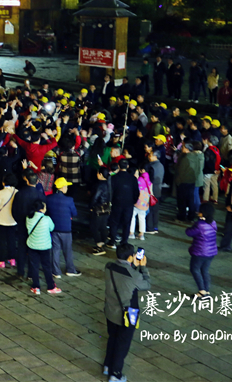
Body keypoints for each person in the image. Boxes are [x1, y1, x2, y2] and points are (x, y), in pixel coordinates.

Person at [103, 243, 151, 382]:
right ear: (131, 257)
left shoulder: (108, 266)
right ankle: (115, 373)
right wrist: (143, 267)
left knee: (112, 338)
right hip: (127, 314)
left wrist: (132, 265)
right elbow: (146, 284)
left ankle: (107, 366)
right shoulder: (133, 274)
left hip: (110, 310)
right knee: (122, 343)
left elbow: (125, 278)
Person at [46, 177, 81, 279]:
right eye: (66, 186)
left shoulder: (49, 198)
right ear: (62, 187)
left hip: (54, 228)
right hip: (66, 229)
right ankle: (70, 270)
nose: (67, 188)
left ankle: (56, 272)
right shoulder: (69, 200)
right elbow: (74, 213)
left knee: (55, 250)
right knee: (67, 250)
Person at [186, 203, 218, 296]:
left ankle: (202, 291)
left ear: (202, 213)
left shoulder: (199, 225)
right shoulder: (213, 222)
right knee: (205, 270)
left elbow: (189, 232)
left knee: (194, 269)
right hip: (211, 252)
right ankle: (207, 290)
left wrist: (192, 225)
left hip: (200, 252)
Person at [108, 160, 139, 246]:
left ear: (118, 166)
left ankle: (112, 241)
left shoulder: (114, 178)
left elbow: (111, 191)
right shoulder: (132, 178)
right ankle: (124, 241)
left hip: (116, 203)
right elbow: (136, 192)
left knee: (114, 223)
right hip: (129, 204)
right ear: (127, 166)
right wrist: (134, 201)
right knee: (127, 223)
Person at [0, 174, 18, 268]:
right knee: (12, 240)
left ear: (3, 182)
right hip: (13, 220)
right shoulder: (16, 192)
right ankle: (12, 259)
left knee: (2, 241)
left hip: (1, 220)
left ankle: (1, 260)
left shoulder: (0, 193)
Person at [90, 168, 111, 256]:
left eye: (98, 173)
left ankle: (99, 246)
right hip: (107, 208)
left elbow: (95, 197)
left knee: (94, 227)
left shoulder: (99, 185)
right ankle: (103, 241)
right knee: (103, 226)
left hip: (98, 208)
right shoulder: (109, 183)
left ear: (101, 174)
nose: (97, 174)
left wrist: (91, 206)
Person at [129, 164, 152, 242]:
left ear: (142, 170)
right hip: (145, 201)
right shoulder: (148, 178)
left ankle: (131, 233)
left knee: (132, 216)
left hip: (138, 201)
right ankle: (141, 234)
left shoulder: (139, 179)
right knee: (142, 218)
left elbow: (136, 190)